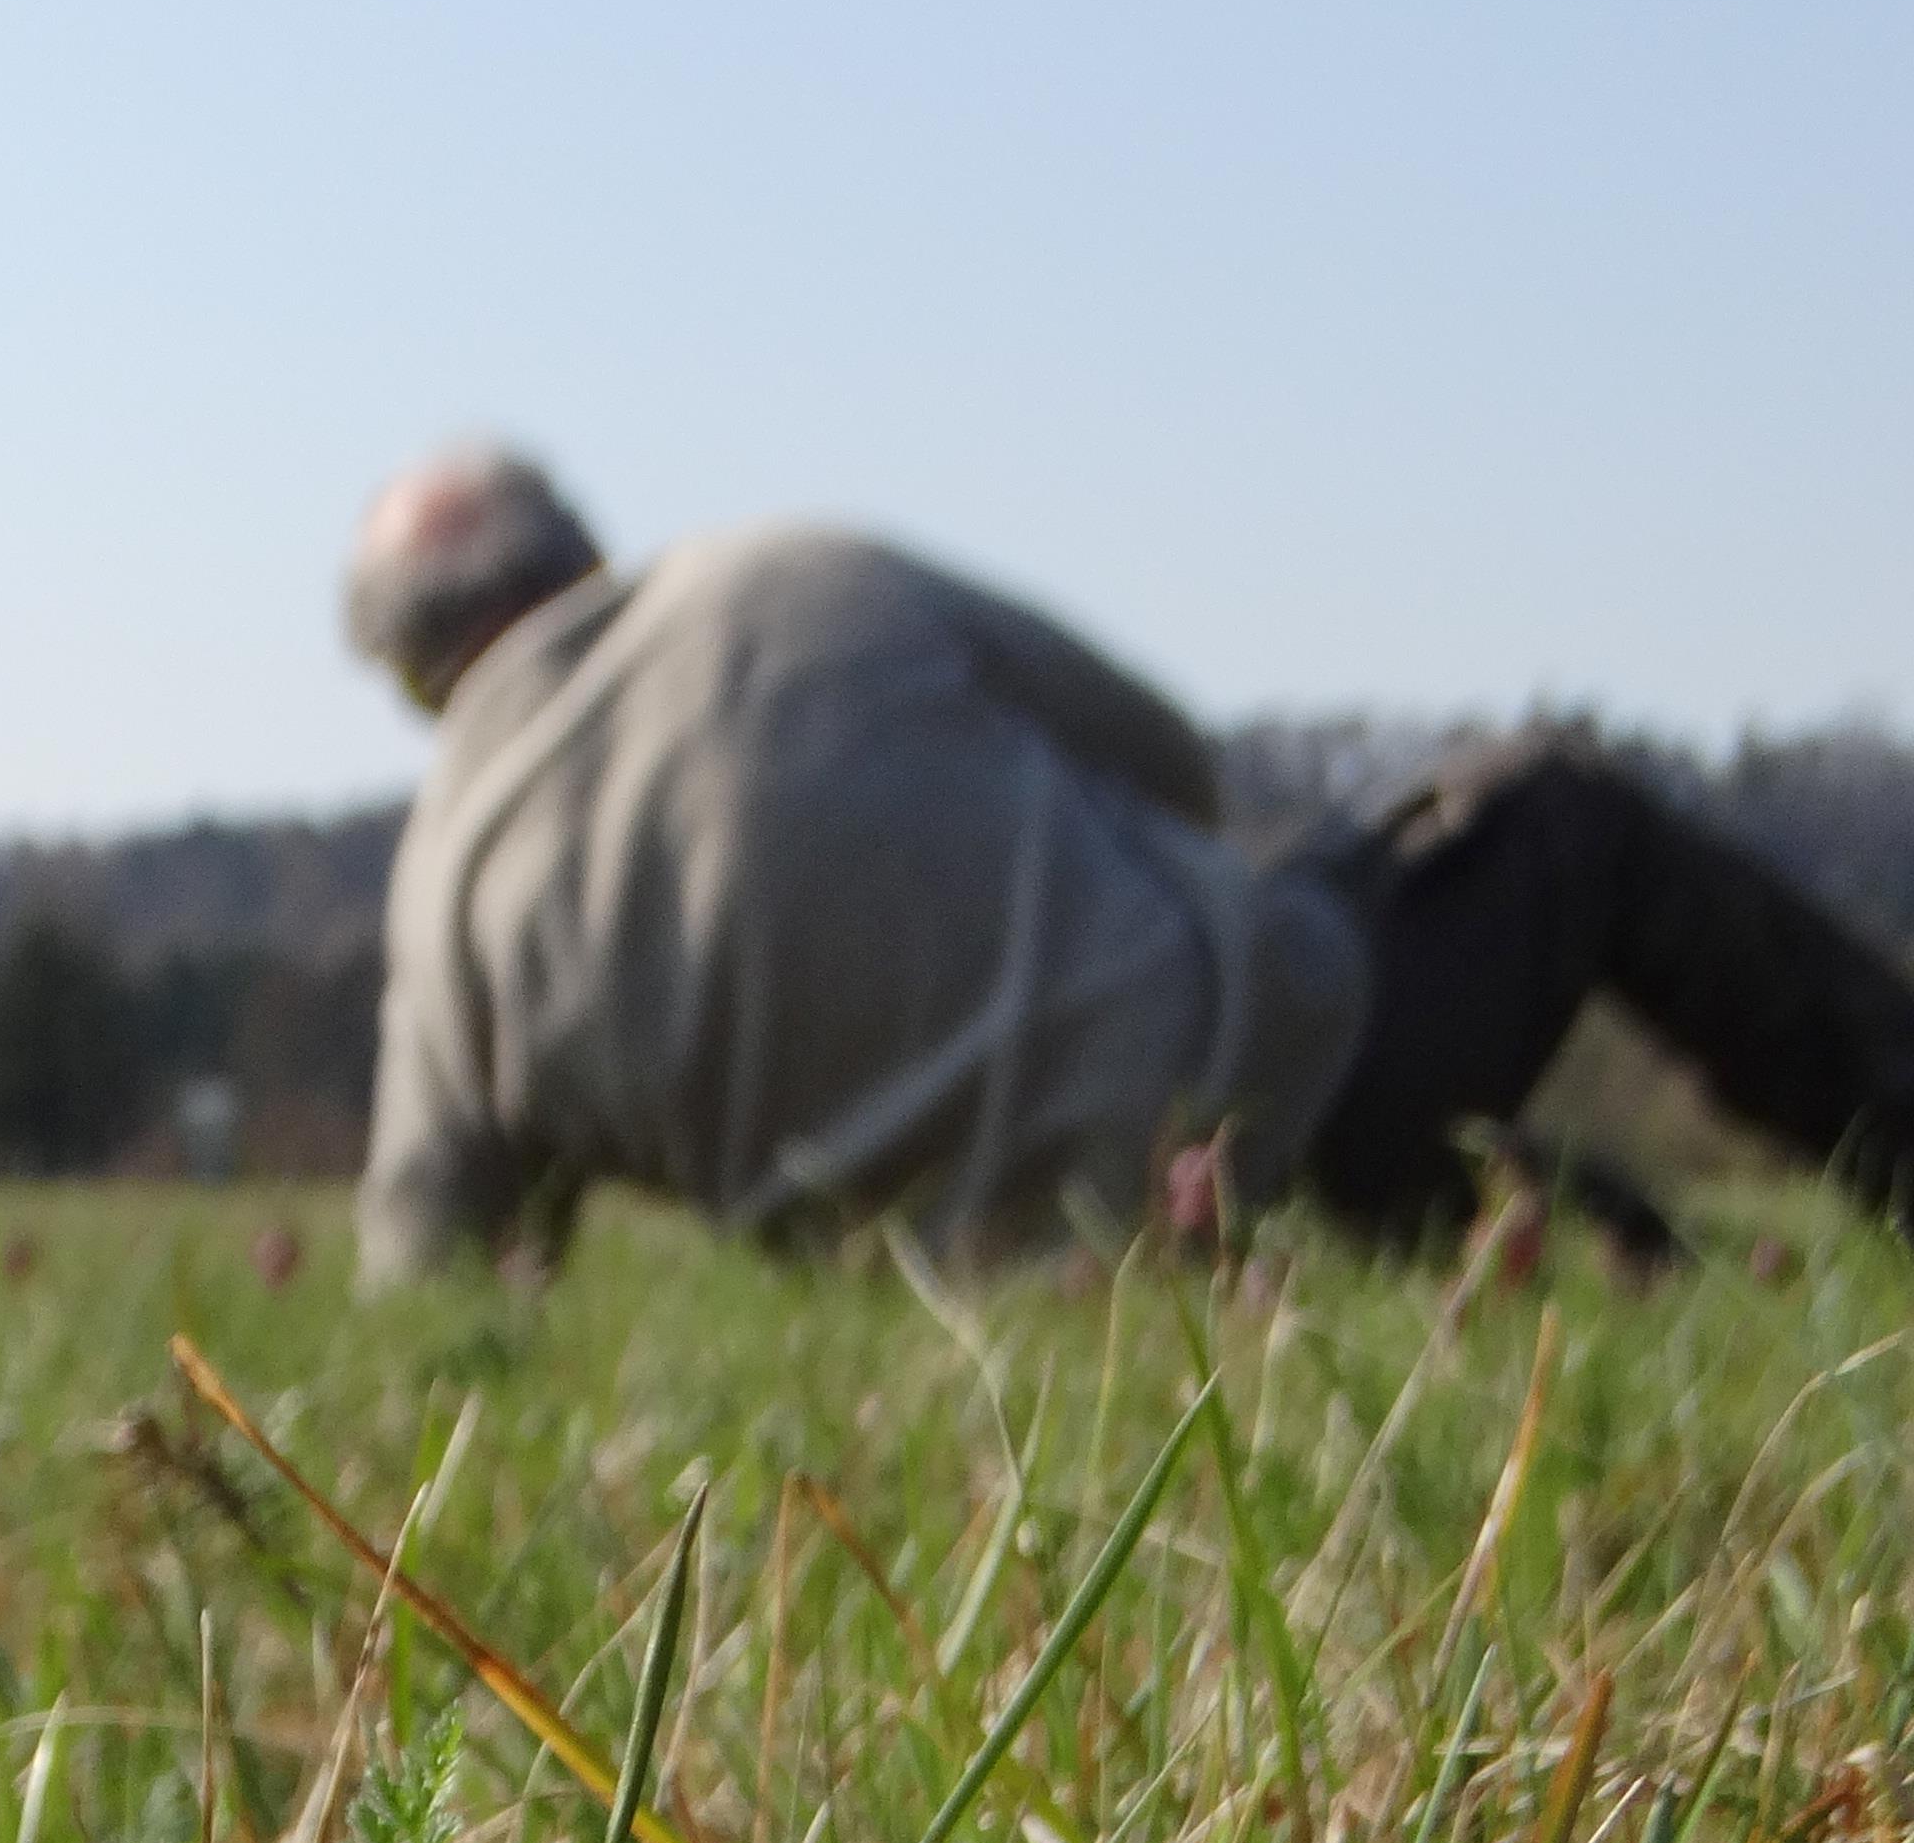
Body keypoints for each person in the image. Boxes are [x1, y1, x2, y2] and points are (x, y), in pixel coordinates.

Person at [337, 443, 1914, 1283]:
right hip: (1261, 1103)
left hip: (969, 1299)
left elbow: (433, 1267)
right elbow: (1170, 762)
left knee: (1469, 1160)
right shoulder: (786, 574)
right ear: (587, 552)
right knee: (1558, 814)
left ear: (420, 686)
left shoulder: (440, 902)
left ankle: (1616, 1250)